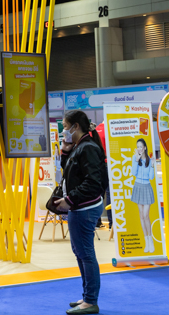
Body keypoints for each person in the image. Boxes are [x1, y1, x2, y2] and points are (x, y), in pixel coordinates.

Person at [54, 110, 107, 315]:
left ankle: (90, 301)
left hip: (84, 207)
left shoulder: (88, 148)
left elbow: (92, 182)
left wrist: (69, 200)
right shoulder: (80, 146)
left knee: (85, 254)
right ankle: (87, 297)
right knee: (81, 253)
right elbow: (70, 173)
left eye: (66, 127)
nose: (64, 131)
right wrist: (65, 151)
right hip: (80, 206)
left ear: (76, 126)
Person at [131, 138, 156, 253]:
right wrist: (136, 160)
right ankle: (147, 242)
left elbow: (151, 177)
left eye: (141, 147)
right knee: (141, 215)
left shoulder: (149, 160)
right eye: (138, 147)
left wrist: (152, 166)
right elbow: (134, 173)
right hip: (138, 186)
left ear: (145, 148)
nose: (139, 149)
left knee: (146, 215)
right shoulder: (135, 158)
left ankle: (150, 240)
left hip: (146, 187)